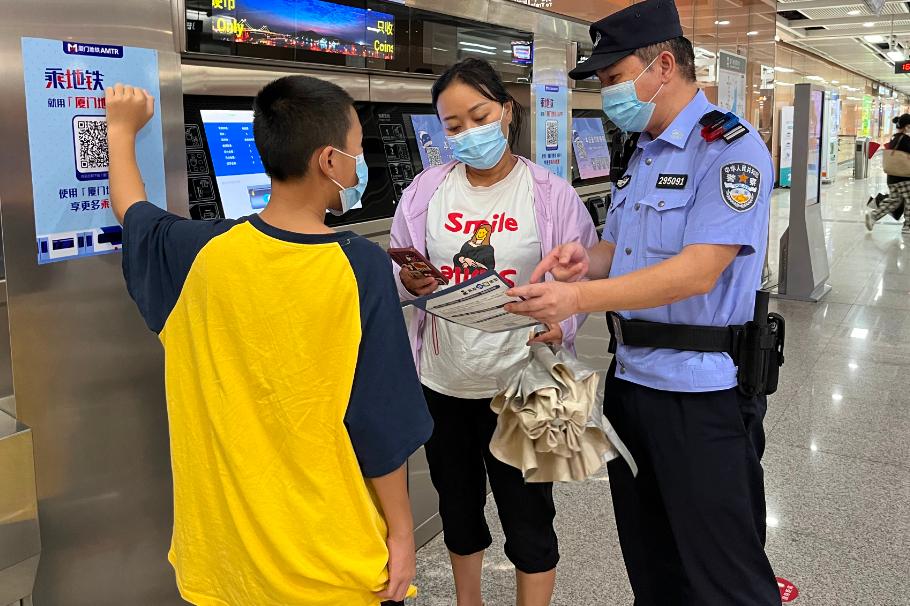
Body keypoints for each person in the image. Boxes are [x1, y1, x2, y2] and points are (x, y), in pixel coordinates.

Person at [106, 76, 432, 606]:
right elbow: (380, 425)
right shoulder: (359, 267)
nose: (359, 161)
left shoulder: (198, 253)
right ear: (329, 162)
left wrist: (119, 131)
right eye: (356, 149)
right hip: (329, 565)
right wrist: (400, 532)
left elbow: (133, 212)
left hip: (222, 563)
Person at [505, 1, 781, 604]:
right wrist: (587, 261)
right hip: (632, 385)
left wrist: (575, 295)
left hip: (701, 394)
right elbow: (622, 249)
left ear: (662, 64)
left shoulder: (728, 150)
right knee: (651, 560)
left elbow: (696, 273)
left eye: (612, 79)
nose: (608, 94)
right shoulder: (644, 151)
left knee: (723, 572)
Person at [389, 58, 598, 606]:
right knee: (458, 509)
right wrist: (408, 279)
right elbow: (401, 279)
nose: (467, 133)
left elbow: (581, 280)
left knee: (530, 517)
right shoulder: (424, 194)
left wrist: (564, 322)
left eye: (478, 116)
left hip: (528, 382)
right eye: (453, 126)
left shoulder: (551, 196)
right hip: (444, 382)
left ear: (506, 111)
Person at [866, 113, 910, 234]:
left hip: (892, 177)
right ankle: (908, 226)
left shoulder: (894, 138)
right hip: (904, 177)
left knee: (894, 200)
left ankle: (874, 216)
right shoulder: (905, 139)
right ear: (906, 126)